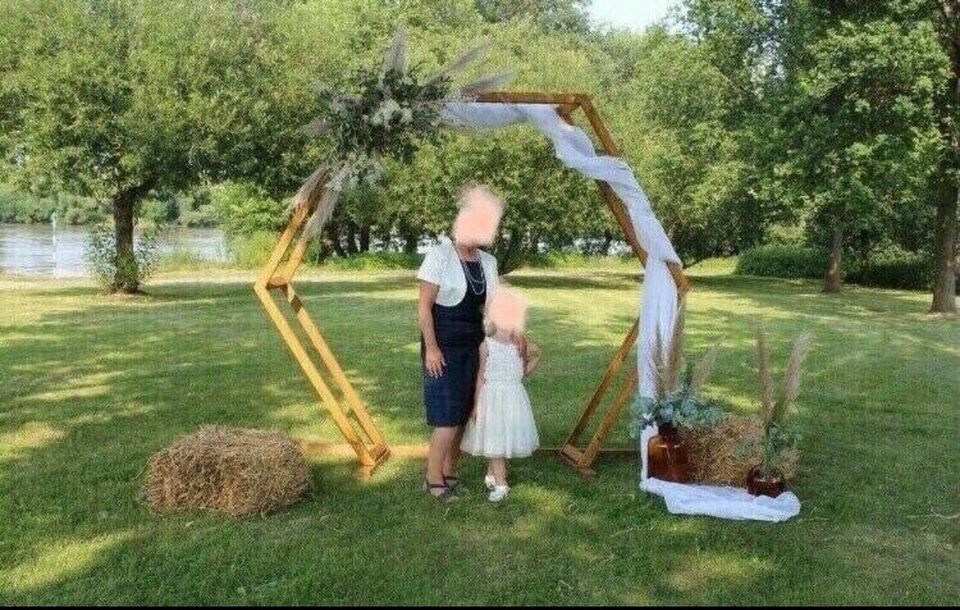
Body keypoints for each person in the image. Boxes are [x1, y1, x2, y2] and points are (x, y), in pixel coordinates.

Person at [417, 186, 507, 502]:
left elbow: (494, 308)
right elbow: (424, 307)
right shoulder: (440, 255)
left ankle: (450, 472)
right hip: (442, 347)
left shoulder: (488, 262)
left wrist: (517, 336)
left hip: (474, 347)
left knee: (464, 413)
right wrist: (432, 348)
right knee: (446, 418)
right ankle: (432, 479)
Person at [460, 286, 541, 503]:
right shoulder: (486, 345)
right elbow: (480, 377)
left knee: (502, 436)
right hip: (492, 398)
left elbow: (521, 371)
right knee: (495, 436)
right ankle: (501, 483)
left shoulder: (519, 343)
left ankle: (494, 474)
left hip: (513, 397)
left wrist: (532, 363)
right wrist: (476, 406)